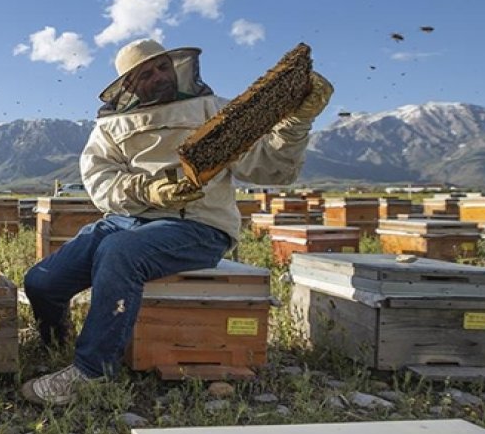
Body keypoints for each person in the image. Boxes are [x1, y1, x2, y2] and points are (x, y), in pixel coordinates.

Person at [20, 39, 333, 406]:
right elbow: (101, 182)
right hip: (126, 219)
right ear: (129, 85)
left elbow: (269, 168)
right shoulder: (110, 128)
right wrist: (149, 191)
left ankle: (92, 373)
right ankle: (56, 340)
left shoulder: (213, 110)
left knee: (119, 253)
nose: (159, 76)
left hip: (198, 225)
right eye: (146, 73)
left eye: (163, 67)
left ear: (178, 67)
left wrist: (295, 124)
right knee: (41, 281)